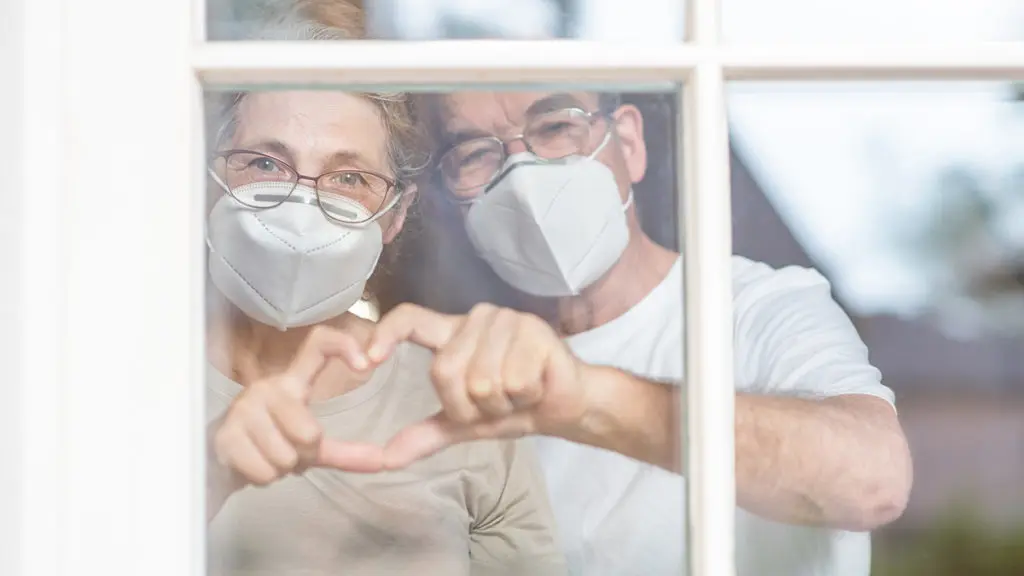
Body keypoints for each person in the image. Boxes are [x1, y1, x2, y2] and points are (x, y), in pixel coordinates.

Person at [301, 89, 914, 576]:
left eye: (556, 127)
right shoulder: (463, 368)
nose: (522, 172)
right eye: (477, 154)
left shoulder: (754, 306)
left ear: (629, 142)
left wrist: (588, 398)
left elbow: (874, 483)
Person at [202, 7, 567, 576]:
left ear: (395, 216)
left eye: (349, 178)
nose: (303, 208)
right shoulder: (120, 383)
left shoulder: (459, 400)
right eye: (266, 162)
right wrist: (206, 473)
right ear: (211, 179)